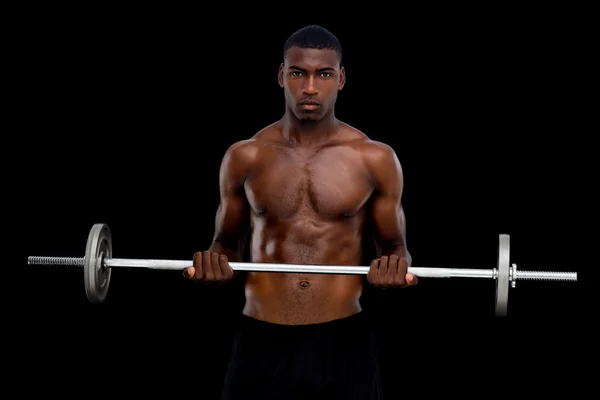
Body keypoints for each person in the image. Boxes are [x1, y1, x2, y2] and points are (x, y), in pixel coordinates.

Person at [183, 24, 417, 400]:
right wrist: (214, 264)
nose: (310, 87)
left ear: (340, 79)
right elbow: (225, 243)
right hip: (261, 339)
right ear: (281, 76)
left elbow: (395, 247)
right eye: (298, 73)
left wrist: (394, 269)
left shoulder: (375, 158)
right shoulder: (246, 155)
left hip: (343, 341)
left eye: (323, 74)